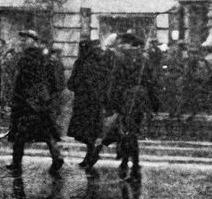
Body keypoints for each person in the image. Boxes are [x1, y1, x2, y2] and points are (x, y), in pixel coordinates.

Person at [102, 32, 159, 180]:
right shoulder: (144, 59)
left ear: (126, 43)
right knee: (131, 131)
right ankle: (129, 163)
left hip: (126, 97)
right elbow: (152, 82)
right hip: (141, 98)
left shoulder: (120, 58)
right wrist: (154, 103)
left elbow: (114, 80)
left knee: (127, 131)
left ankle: (131, 165)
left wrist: (110, 102)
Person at [6, 31, 64, 173]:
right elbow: (54, 82)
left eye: (25, 40)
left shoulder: (24, 59)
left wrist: (13, 97)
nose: (22, 42)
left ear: (33, 41)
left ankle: (16, 162)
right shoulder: (46, 58)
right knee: (46, 131)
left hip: (25, 102)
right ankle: (57, 156)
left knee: (20, 133)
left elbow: (18, 81)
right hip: (42, 102)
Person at [66, 36, 112, 169]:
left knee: (83, 132)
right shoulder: (101, 63)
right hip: (95, 102)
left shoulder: (81, 63)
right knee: (91, 131)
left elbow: (72, 83)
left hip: (83, 102)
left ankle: (91, 153)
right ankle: (91, 154)